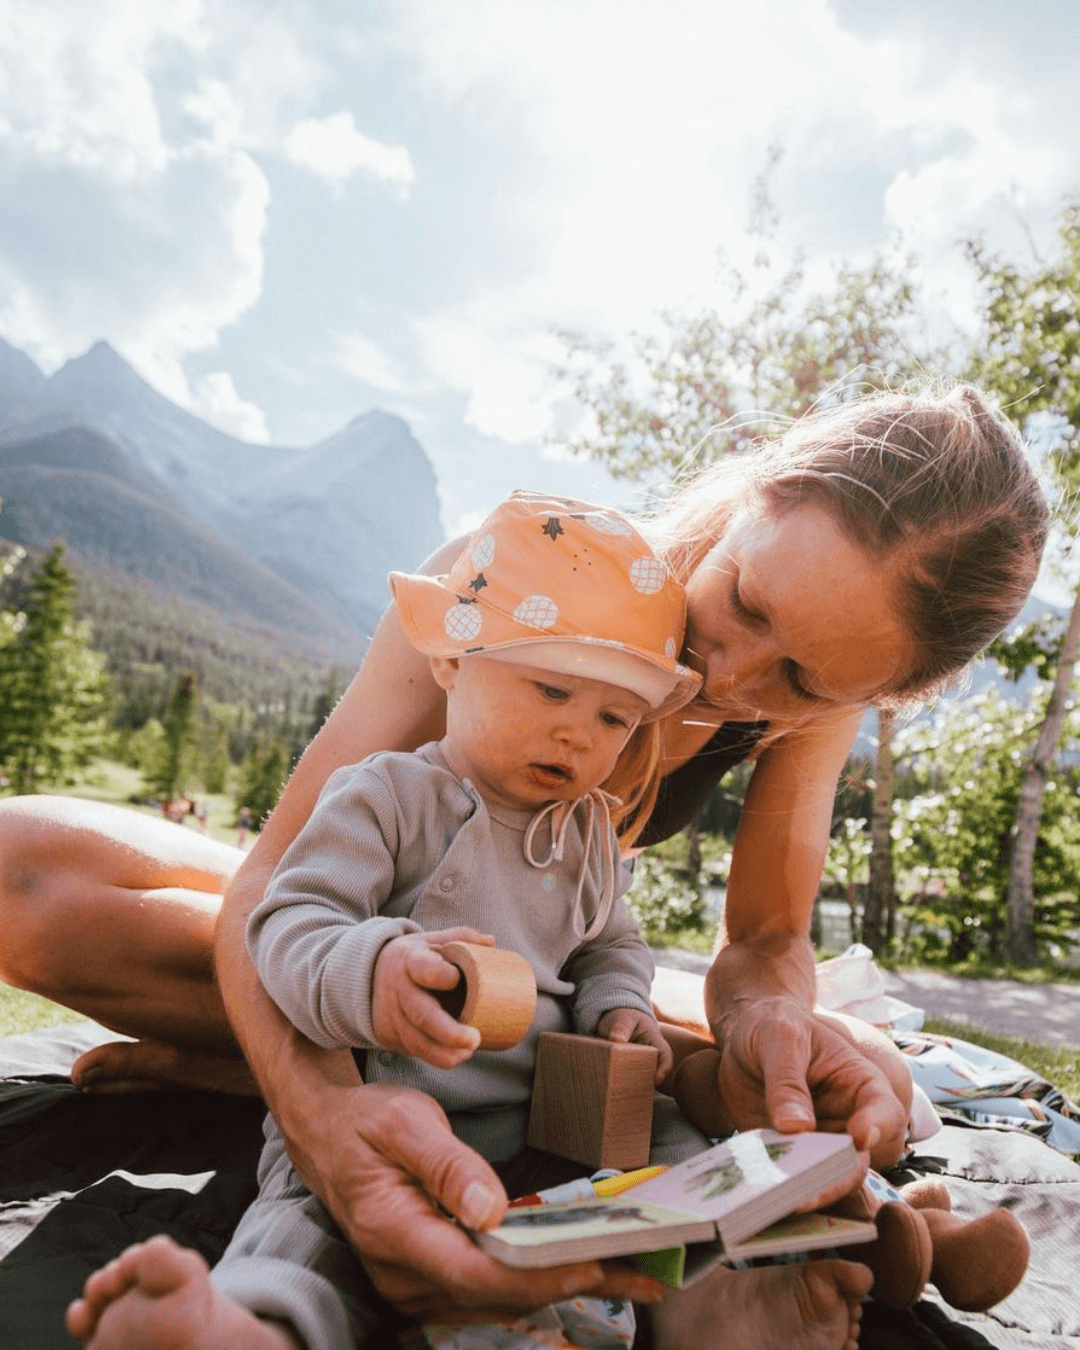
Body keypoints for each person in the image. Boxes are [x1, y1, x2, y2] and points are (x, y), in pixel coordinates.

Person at [0, 383, 1047, 1348]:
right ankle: (295, 1069)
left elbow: (769, 937)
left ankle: (754, 1252)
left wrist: (765, 1014)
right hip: (379, 914)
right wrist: (325, 1125)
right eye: (749, 603)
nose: (726, 675)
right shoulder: (515, 584)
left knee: (855, 1073)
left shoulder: (818, 688)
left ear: (871, 689)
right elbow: (277, 888)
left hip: (547, 968)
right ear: (757, 488)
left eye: (803, 680)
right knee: (25, 878)